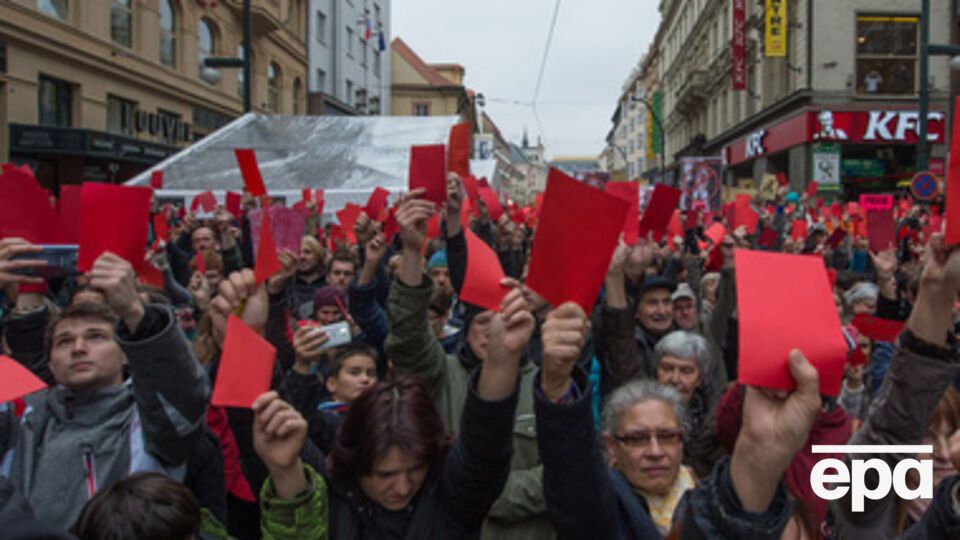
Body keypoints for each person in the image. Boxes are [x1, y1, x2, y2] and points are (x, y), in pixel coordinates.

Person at [534, 301, 823, 538]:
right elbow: (573, 478)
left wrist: (762, 452)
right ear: (611, 447)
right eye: (637, 439)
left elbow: (727, 525)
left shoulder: (702, 495)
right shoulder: (604, 504)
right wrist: (558, 386)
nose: (656, 451)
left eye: (668, 436)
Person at [0, 241, 209, 529]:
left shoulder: (147, 424)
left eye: (96, 337)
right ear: (49, 363)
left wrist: (136, 313)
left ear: (126, 353)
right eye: (64, 341)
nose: (78, 348)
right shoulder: (21, 417)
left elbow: (184, 393)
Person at [385, 188, 554, 539]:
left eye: (502, 323)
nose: (492, 334)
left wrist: (475, 489)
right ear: (465, 329)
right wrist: (413, 252)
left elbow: (563, 473)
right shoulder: (441, 373)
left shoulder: (546, 383)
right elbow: (408, 337)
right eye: (482, 323)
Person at [830, 232, 960, 538]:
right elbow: (891, 432)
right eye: (926, 438)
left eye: (951, 434)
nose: (943, 454)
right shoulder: (868, 511)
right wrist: (936, 293)